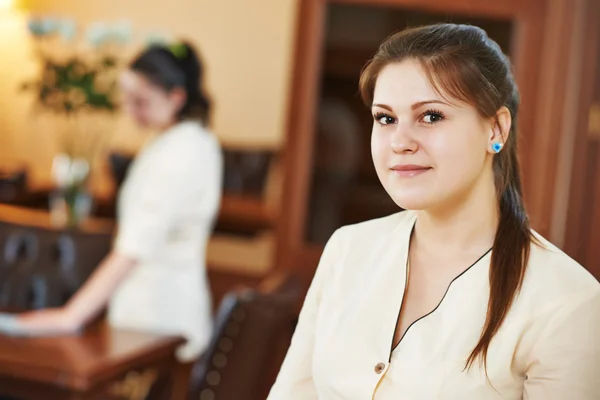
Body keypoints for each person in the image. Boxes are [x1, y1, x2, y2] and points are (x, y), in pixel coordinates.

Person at [268, 23, 600, 399]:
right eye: (386, 118)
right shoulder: (348, 249)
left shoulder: (567, 301)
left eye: (431, 116)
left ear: (495, 129)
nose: (400, 142)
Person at [15, 41, 222, 392]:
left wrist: (70, 316)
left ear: (176, 97)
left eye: (140, 101)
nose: (131, 111)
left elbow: (134, 246)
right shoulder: (185, 142)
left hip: (156, 320)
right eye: (128, 99)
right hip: (153, 316)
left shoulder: (180, 152)